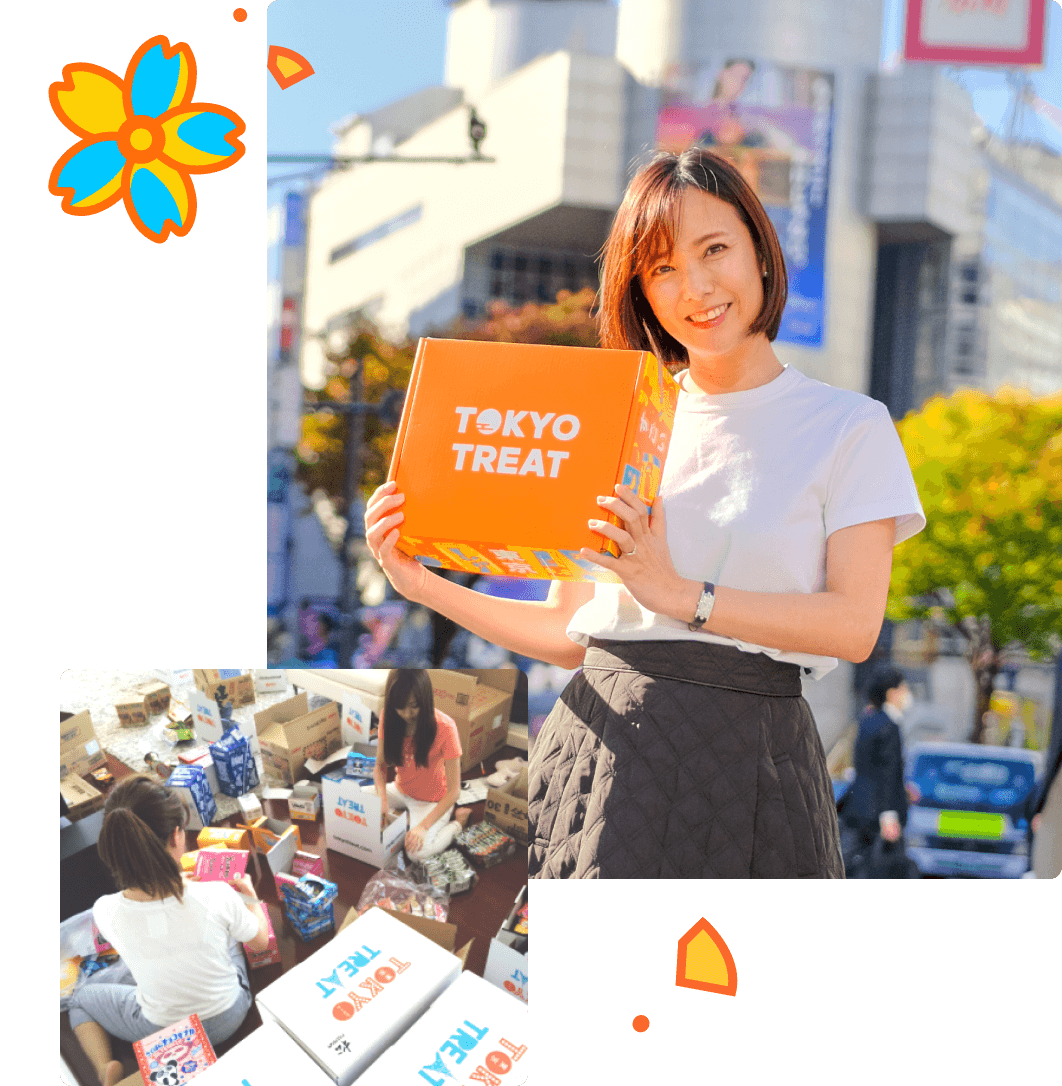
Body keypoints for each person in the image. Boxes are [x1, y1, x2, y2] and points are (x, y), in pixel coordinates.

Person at [365, 146, 926, 878]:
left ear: (761, 252)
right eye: (661, 268)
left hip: (754, 755)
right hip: (600, 754)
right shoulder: (619, 418)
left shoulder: (848, 425)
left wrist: (682, 596)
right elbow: (570, 633)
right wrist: (420, 585)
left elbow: (853, 625)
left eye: (714, 249)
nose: (695, 285)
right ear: (642, 292)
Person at [68, 775, 265, 1085]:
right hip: (230, 1015)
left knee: (80, 999)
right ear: (177, 836)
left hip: (162, 1030)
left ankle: (105, 1065)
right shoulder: (215, 895)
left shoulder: (104, 910)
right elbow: (262, 943)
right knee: (232, 936)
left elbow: (157, 921)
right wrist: (249, 896)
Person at [373, 668, 470, 860]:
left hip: (432, 801)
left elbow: (454, 791)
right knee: (356, 800)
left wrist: (423, 827)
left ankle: (458, 822)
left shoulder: (446, 727)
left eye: (414, 706)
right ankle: (406, 818)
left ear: (425, 700)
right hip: (401, 789)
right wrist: (382, 800)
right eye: (400, 707)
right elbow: (379, 766)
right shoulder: (389, 716)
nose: (407, 714)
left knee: (417, 855)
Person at [840, 667, 913, 873]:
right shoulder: (890, 726)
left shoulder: (868, 720)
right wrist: (889, 817)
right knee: (878, 868)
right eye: (904, 688)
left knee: (853, 864)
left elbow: (868, 767)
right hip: (878, 814)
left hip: (859, 806)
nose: (907, 693)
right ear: (891, 693)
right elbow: (886, 773)